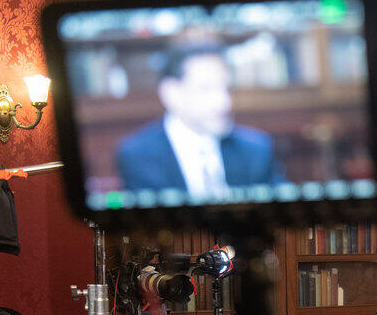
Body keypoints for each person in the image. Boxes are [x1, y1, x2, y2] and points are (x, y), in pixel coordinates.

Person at [116, 42, 286, 198]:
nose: (224, 103)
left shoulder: (257, 149)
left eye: (226, 89)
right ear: (171, 93)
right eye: (206, 89)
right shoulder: (138, 155)